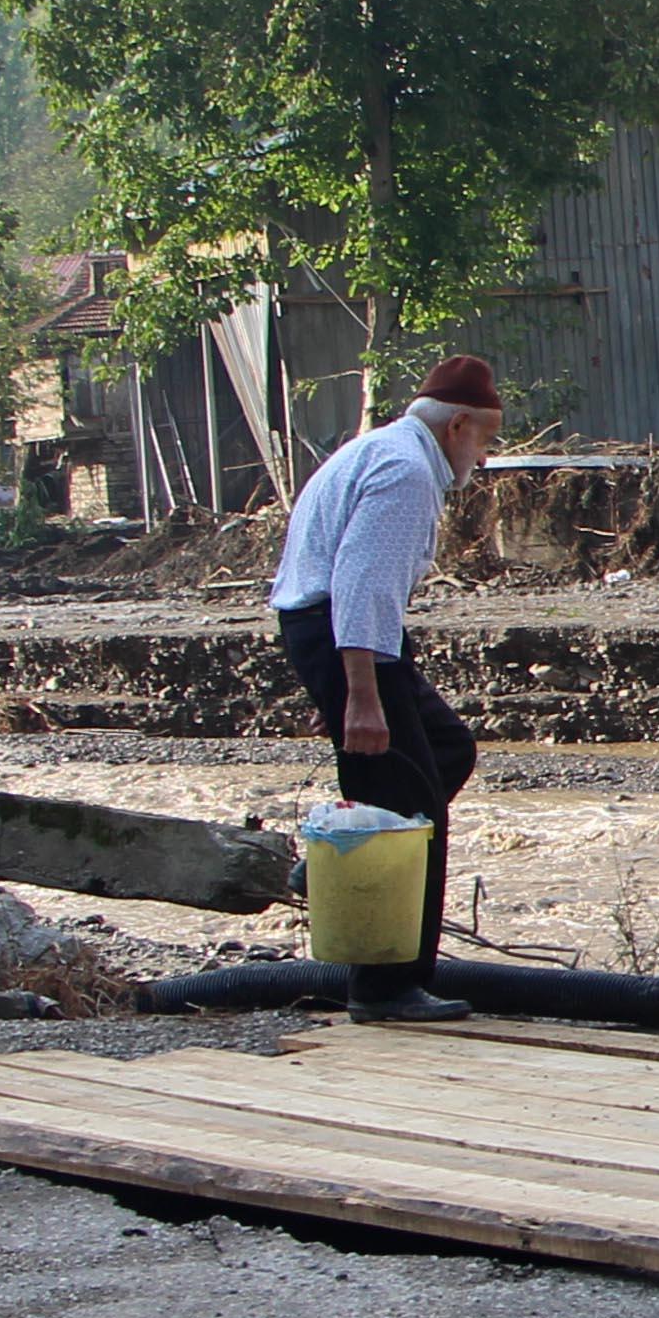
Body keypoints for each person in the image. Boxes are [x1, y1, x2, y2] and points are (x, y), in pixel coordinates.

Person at [270, 354, 503, 1022]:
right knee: (411, 801)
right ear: (457, 425)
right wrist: (361, 698)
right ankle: (386, 986)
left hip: (336, 634)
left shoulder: (383, 449)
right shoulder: (406, 471)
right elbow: (362, 585)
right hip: (346, 633)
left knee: (446, 751)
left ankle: (335, 857)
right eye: (484, 442)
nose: (483, 460)